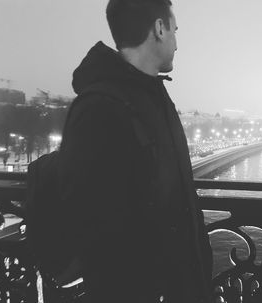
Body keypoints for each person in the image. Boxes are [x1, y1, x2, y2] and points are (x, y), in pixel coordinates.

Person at [58, 0, 212, 302]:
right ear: (159, 29)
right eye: (175, 31)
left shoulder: (152, 95)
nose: (177, 43)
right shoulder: (99, 108)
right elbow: (93, 228)